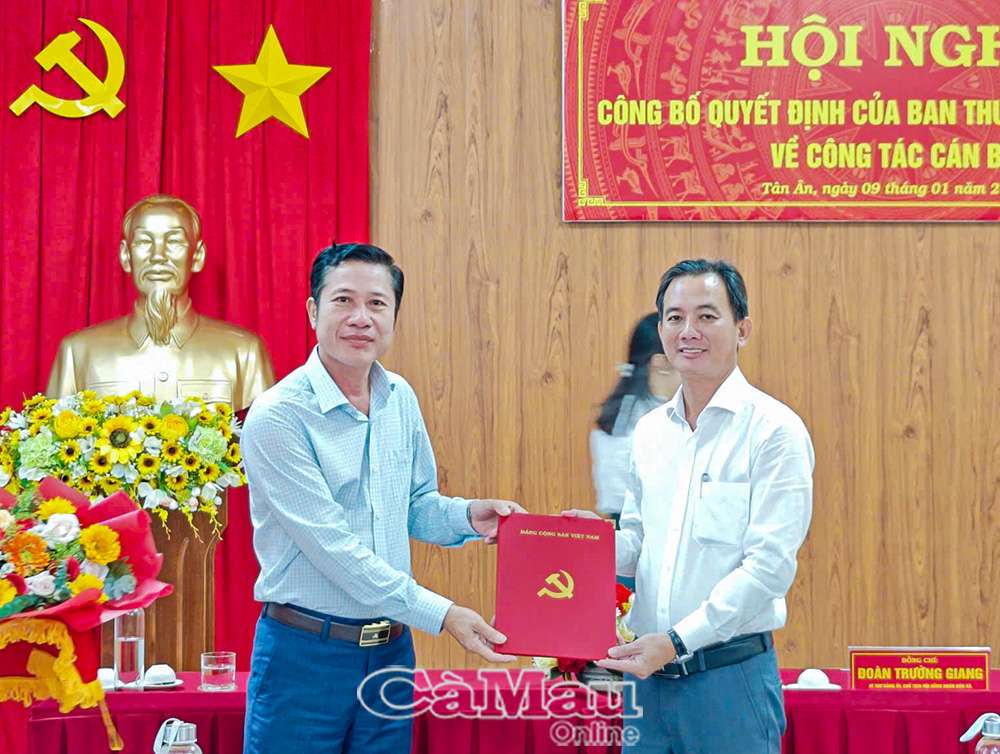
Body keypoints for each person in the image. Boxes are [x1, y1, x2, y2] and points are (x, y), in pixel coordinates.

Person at [240, 243, 525, 754]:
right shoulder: (278, 415)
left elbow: (414, 506)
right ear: (313, 311)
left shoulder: (399, 397)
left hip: (391, 654)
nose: (361, 318)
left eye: (377, 304)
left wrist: (468, 516)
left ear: (393, 316)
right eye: (343, 301)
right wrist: (443, 614)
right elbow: (334, 550)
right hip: (305, 656)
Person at [567, 259, 814, 753]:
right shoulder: (650, 432)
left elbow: (768, 569)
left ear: (742, 329)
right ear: (661, 331)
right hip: (647, 682)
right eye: (675, 318)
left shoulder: (774, 431)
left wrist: (678, 641)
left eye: (706, 316)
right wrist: (588, 543)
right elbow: (639, 543)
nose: (688, 331)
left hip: (728, 681)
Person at [46, 194, 274, 410]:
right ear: (126, 256)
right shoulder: (78, 354)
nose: (158, 256)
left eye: (174, 241)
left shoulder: (244, 354)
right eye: (144, 241)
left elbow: (266, 435)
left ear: (197, 256)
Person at [591, 312, 681, 527]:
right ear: (661, 362)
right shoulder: (653, 423)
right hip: (652, 533)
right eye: (685, 356)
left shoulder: (616, 413)